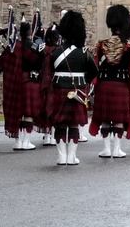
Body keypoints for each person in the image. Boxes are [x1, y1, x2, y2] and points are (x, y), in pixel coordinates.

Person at [49, 10, 98, 165]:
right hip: (78, 91)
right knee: (74, 124)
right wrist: (82, 84)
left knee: (60, 124)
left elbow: (48, 73)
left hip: (58, 90)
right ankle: (71, 157)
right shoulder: (84, 53)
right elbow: (94, 72)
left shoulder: (55, 52)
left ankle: (61, 157)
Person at [91, 5, 130, 158]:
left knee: (105, 118)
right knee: (118, 119)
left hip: (104, 85)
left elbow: (95, 66)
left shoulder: (100, 44)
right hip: (121, 85)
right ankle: (116, 149)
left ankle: (105, 149)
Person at [1, 14, 45, 151]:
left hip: (16, 82)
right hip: (30, 81)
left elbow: (4, 63)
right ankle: (26, 142)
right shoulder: (33, 46)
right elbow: (38, 63)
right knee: (29, 113)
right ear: (30, 32)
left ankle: (18, 142)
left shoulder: (14, 46)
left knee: (18, 112)